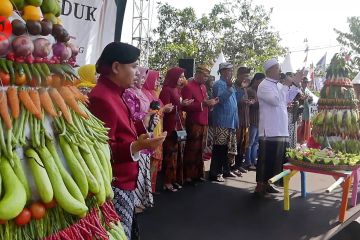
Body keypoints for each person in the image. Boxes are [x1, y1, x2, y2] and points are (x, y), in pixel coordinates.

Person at [88, 42, 166, 239]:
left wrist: (142, 135)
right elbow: (102, 150)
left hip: (125, 181)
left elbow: (127, 128)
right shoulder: (102, 98)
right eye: (133, 66)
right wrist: (137, 145)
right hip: (115, 183)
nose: (137, 72)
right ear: (116, 67)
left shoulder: (117, 93)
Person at [255, 58, 303, 196]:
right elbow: (276, 101)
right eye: (277, 68)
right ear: (269, 70)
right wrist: (287, 85)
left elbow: (286, 99)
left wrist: (295, 84)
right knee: (266, 159)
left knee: (277, 160)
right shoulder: (264, 85)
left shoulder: (277, 85)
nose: (280, 71)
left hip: (281, 128)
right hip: (269, 129)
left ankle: (271, 184)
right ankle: (261, 185)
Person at [122, 66, 154, 213]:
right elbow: (132, 116)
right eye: (140, 77)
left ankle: (140, 199)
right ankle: (134, 202)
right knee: (136, 167)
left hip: (146, 131)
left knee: (143, 168)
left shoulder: (140, 92)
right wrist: (147, 116)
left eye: (143, 78)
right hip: (136, 134)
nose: (141, 80)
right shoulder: (128, 93)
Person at [181, 65, 219, 185]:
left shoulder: (203, 86)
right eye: (205, 75)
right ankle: (188, 176)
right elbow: (185, 106)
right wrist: (204, 104)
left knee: (200, 150)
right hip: (194, 122)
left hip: (204, 122)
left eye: (208, 76)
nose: (207, 78)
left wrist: (211, 104)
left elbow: (205, 103)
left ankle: (197, 174)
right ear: (198, 74)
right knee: (192, 149)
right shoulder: (188, 86)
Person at [159, 67, 193, 192]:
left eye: (183, 76)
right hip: (170, 127)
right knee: (170, 154)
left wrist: (183, 105)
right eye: (180, 77)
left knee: (177, 154)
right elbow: (166, 109)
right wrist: (181, 105)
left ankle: (174, 179)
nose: (182, 79)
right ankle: (167, 181)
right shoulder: (166, 90)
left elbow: (177, 107)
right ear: (173, 77)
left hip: (178, 125)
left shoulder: (177, 90)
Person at [141, 70, 174, 193]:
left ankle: (151, 189)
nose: (158, 82)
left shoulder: (154, 94)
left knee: (155, 161)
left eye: (159, 79)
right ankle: (145, 191)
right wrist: (163, 109)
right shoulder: (143, 94)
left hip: (158, 129)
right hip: (151, 131)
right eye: (156, 79)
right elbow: (147, 115)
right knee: (150, 159)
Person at [209, 62, 239, 182]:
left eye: (231, 70)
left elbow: (234, 104)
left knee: (228, 148)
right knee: (219, 148)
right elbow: (219, 100)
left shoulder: (229, 85)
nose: (230, 73)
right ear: (221, 72)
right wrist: (229, 88)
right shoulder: (218, 84)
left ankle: (226, 170)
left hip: (230, 122)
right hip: (222, 121)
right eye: (227, 70)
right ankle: (215, 173)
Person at [244, 73, 265, 170]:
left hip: (258, 121)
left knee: (255, 142)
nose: (262, 83)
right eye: (261, 81)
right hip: (252, 120)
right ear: (256, 80)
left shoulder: (259, 91)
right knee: (250, 142)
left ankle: (253, 161)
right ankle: (248, 162)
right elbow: (251, 105)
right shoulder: (250, 90)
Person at [234, 66, 251, 175]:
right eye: (244, 76)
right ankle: (233, 166)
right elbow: (234, 100)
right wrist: (243, 102)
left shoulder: (245, 87)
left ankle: (239, 165)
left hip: (245, 120)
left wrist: (248, 102)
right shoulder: (234, 86)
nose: (246, 78)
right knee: (236, 144)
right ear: (239, 75)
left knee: (243, 144)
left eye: (247, 76)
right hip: (237, 120)